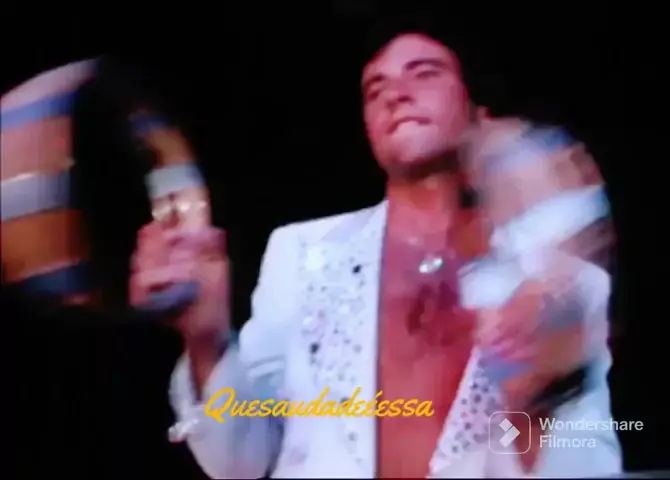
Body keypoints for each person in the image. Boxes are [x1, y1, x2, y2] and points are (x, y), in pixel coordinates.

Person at [130, 20, 621, 478]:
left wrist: (537, 396)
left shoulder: (561, 283)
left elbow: (589, 464)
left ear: (478, 109)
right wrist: (205, 338)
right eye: (375, 89)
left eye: (424, 73)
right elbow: (238, 462)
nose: (396, 94)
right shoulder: (300, 255)